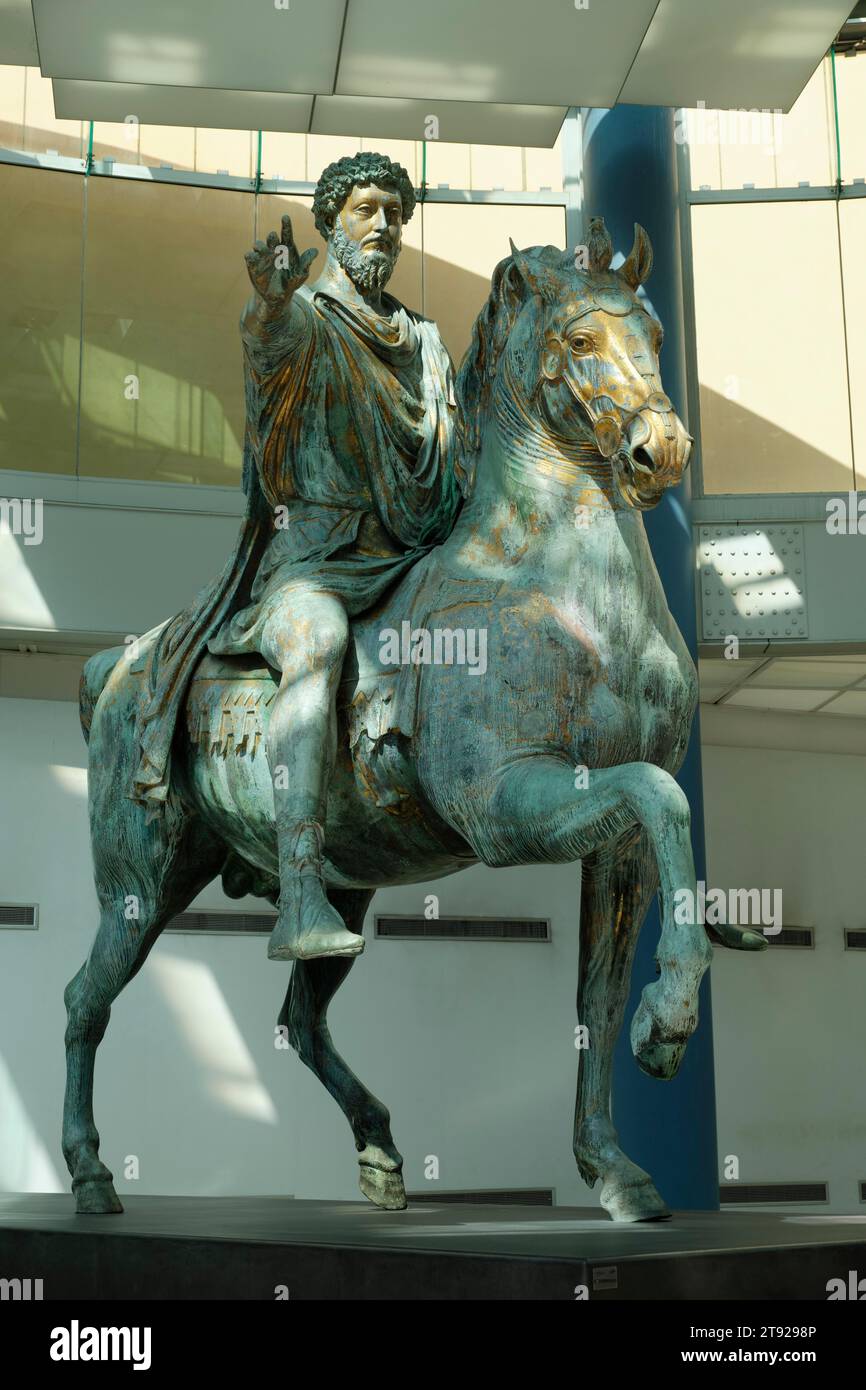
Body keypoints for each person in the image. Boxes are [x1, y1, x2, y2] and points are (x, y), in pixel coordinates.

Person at [130, 152, 465, 962]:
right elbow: (270, 349)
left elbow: (457, 463)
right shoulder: (308, 317)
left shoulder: (423, 339)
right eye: (365, 208)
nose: (384, 222)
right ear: (329, 222)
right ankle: (302, 884)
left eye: (395, 210)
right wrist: (269, 304)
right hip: (311, 561)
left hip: (410, 558)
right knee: (316, 642)